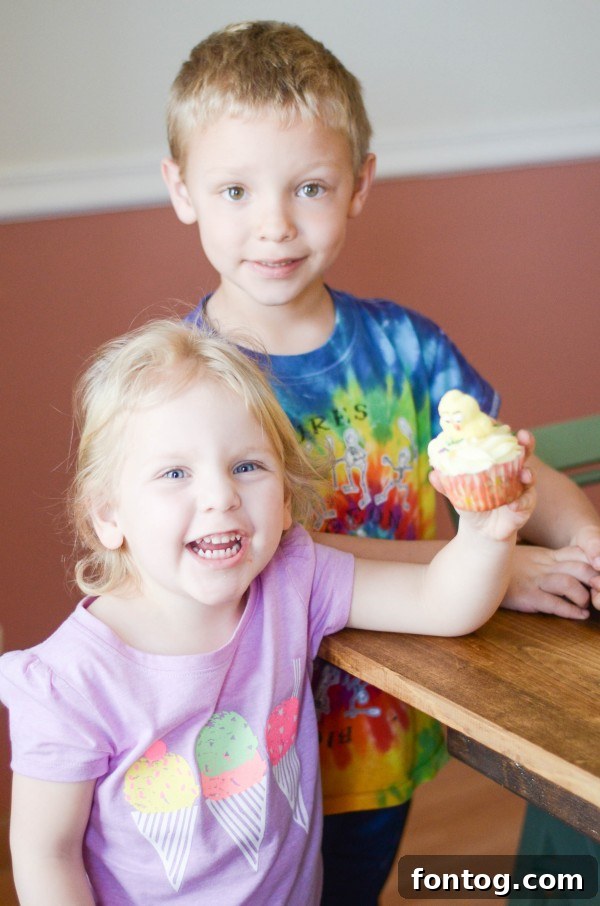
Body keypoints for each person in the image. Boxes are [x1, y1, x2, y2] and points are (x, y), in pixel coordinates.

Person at [160, 21, 600, 904]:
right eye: (237, 189)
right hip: (249, 745)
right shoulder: (183, 386)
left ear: (359, 184)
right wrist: (490, 566)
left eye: (310, 186)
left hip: (381, 735)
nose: (275, 224)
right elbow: (289, 556)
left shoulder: (406, 348)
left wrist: (584, 537)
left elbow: (508, 468)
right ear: (182, 190)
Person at [0, 319, 535, 905]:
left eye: (247, 466)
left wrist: (487, 532)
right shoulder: (68, 683)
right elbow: (44, 852)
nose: (221, 495)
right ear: (108, 516)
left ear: (284, 500)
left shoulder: (292, 579)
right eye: (175, 473)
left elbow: (443, 604)